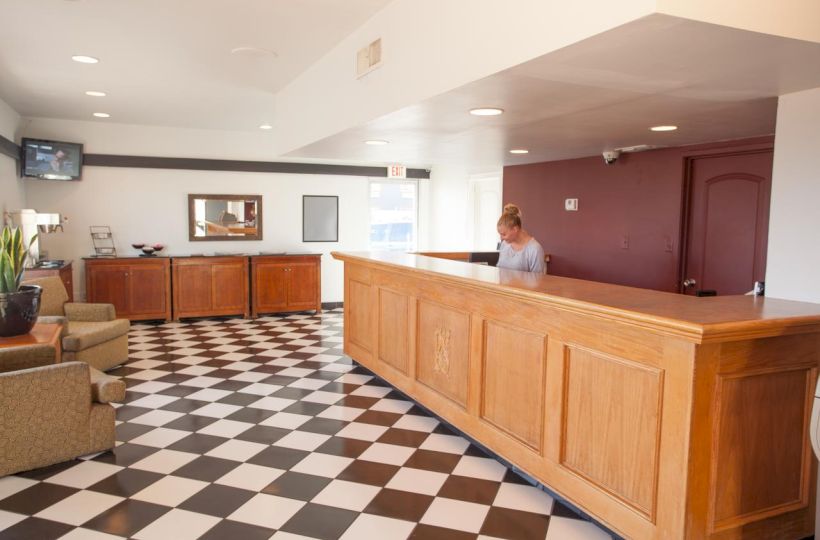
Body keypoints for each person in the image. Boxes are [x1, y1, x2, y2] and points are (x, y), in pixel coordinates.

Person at [496, 203, 546, 273]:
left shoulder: (535, 249)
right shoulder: (504, 244)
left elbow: (538, 280)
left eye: (503, 234)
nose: (501, 238)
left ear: (515, 229)